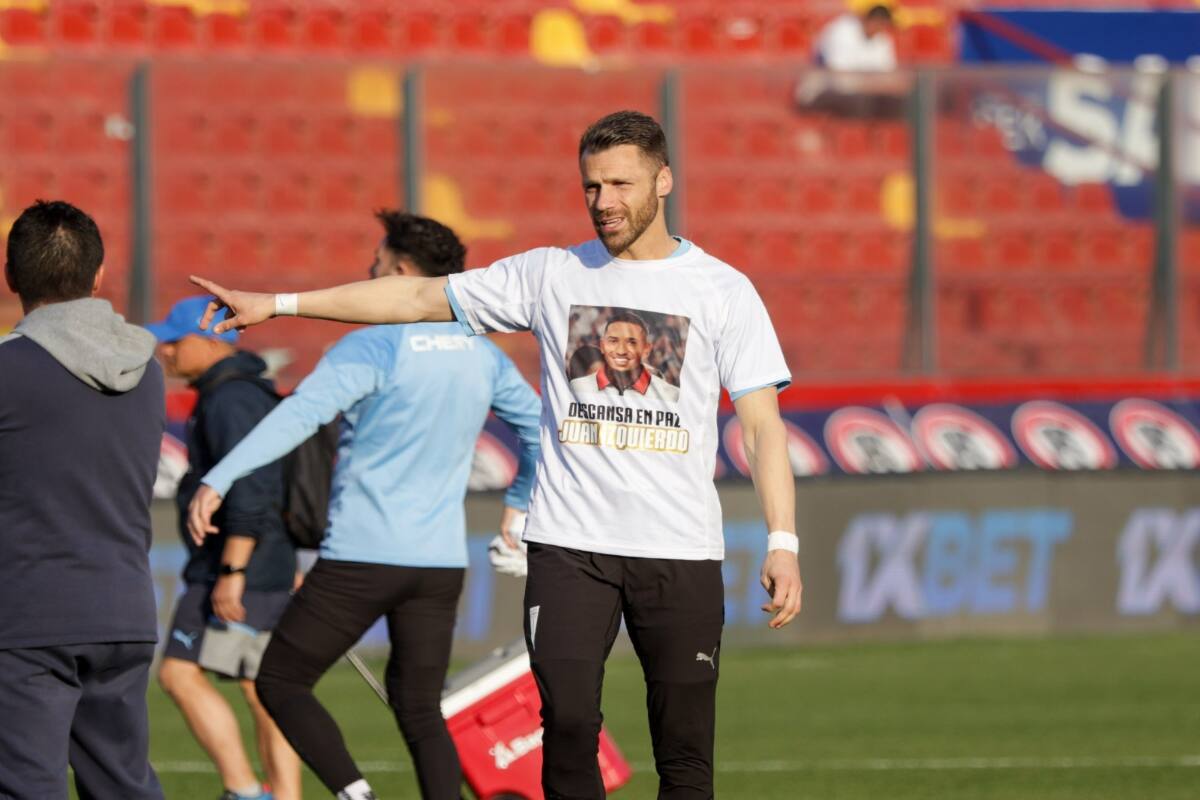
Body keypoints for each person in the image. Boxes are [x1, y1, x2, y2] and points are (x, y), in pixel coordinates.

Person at [190, 110, 803, 800]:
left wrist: (782, 540)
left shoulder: (724, 291)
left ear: (664, 181)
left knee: (685, 754)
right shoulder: (550, 273)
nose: (604, 202)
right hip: (570, 549)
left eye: (620, 184)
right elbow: (417, 296)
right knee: (568, 724)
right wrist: (278, 302)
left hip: (682, 551)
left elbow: (761, 428)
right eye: (591, 186)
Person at [188, 211, 541, 800]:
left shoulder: (374, 345)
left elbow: (300, 416)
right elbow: (538, 429)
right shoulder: (481, 352)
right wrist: (519, 502)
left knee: (280, 680)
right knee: (418, 704)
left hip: (363, 556)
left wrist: (219, 477)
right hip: (437, 564)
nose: (367, 275)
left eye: (376, 267)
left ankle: (356, 795)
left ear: (401, 272)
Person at [0, 200, 164, 799]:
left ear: (11, 277)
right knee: (123, 787)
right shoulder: (145, 370)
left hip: (28, 614)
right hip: (124, 610)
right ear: (98, 277)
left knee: (25, 787)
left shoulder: (9, 369)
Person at [147, 295, 301, 800]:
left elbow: (253, 484)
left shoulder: (231, 398)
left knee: (216, 680)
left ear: (213, 341)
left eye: (174, 340)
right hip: (243, 561)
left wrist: (235, 568)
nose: (164, 351)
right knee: (259, 688)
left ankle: (250, 792)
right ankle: (268, 794)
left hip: (237, 565)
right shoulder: (229, 392)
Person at [569, 309, 680, 403]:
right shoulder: (576, 387)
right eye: (613, 341)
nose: (621, 351)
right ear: (602, 346)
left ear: (646, 349)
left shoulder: (671, 395)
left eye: (632, 342)